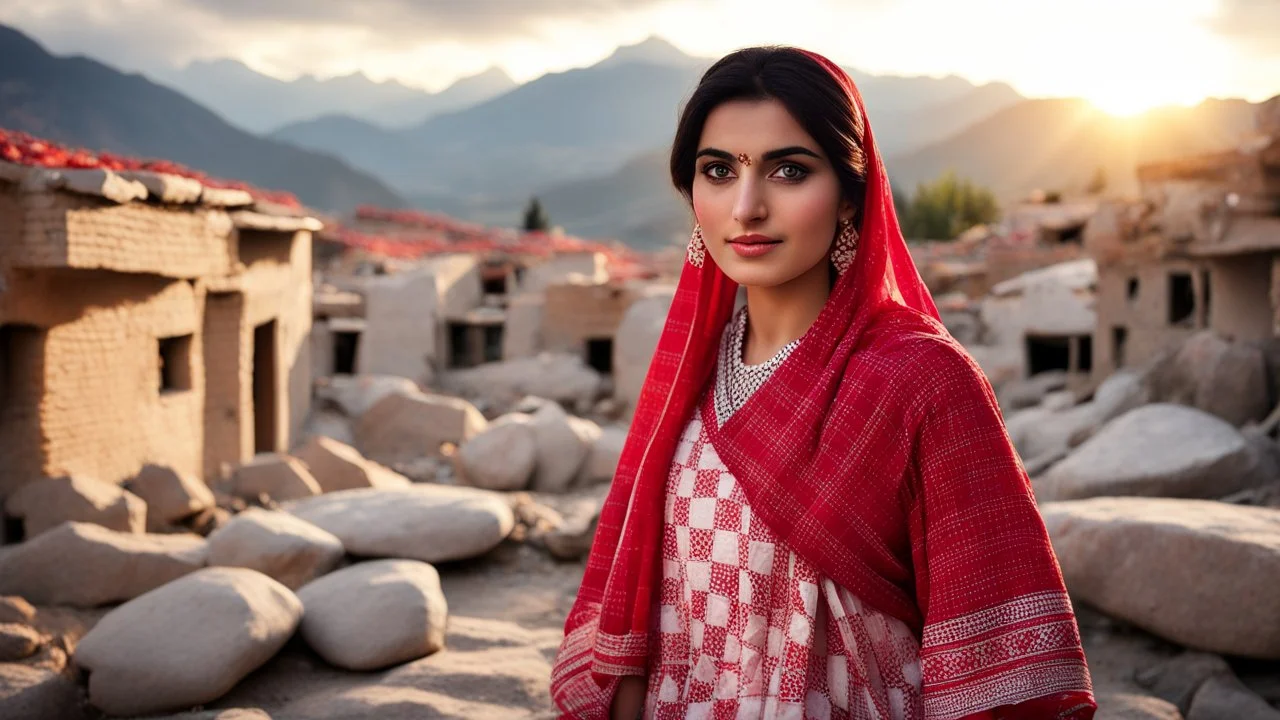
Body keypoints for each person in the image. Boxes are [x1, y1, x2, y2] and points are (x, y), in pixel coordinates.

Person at [550, 46, 1096, 720]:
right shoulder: (686, 382)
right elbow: (644, 619)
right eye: (718, 171)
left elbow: (996, 656)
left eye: (789, 170)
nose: (746, 206)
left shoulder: (922, 380)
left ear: (849, 197)